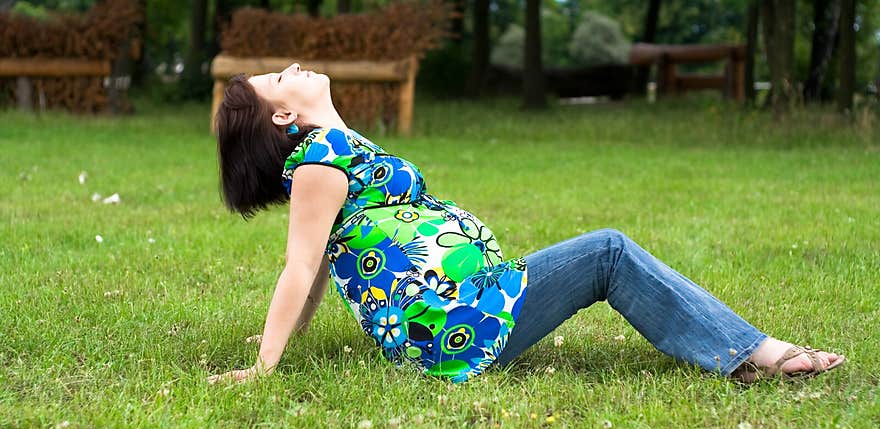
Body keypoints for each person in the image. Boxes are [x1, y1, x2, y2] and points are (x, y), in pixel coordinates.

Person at [207, 63, 845, 386]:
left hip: (476, 299)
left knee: (606, 254)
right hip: (451, 326)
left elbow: (322, 263)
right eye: (277, 79)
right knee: (609, 253)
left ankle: (743, 349)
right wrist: (266, 364)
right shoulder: (316, 165)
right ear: (283, 116)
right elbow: (302, 266)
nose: (292, 67)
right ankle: (754, 353)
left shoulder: (342, 147)